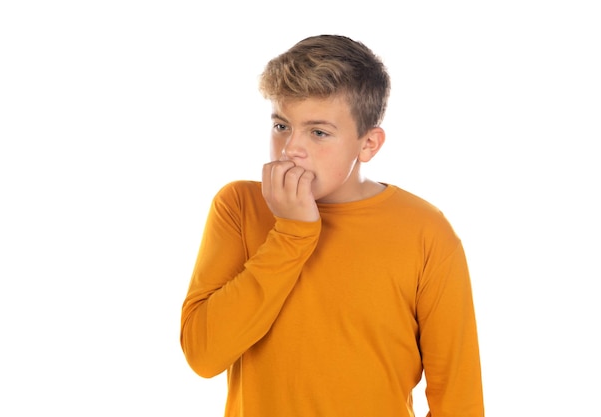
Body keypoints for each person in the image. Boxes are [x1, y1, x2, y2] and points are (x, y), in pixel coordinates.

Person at [180, 34, 484, 416]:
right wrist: (291, 234)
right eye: (281, 126)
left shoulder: (426, 232)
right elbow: (203, 355)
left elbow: (459, 399)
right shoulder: (239, 207)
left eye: (318, 132)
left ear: (368, 144)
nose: (291, 149)